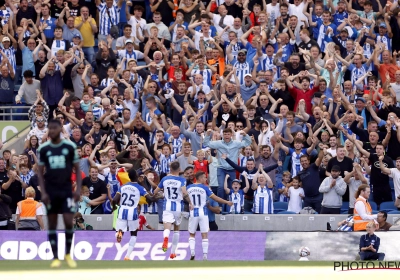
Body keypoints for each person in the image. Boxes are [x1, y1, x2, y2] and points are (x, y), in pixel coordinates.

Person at [37, 119, 82, 268]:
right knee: (52, 224)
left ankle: (68, 254)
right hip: (50, 191)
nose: (52, 130)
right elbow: (40, 172)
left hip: (66, 190)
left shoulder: (69, 147)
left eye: (55, 128)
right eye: (50, 128)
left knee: (69, 221)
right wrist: (43, 192)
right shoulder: (44, 149)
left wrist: (78, 190)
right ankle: (56, 257)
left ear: (60, 129)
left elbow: (77, 168)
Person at [187, 171, 233, 260]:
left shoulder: (188, 187)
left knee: (192, 234)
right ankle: (205, 255)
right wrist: (226, 202)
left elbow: (184, 197)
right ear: (200, 178)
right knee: (204, 235)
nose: (206, 179)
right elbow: (215, 198)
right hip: (203, 213)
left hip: (193, 212)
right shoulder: (205, 188)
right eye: (204, 177)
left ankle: (192, 252)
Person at [112, 168, 153, 260]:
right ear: (137, 176)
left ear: (129, 177)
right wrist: (153, 199)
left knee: (119, 229)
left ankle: (119, 233)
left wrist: (114, 207)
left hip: (122, 211)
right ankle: (128, 256)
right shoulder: (140, 188)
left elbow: (114, 200)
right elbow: (149, 199)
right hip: (133, 212)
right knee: (133, 234)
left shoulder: (123, 186)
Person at [153, 161, 192, 258]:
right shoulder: (182, 180)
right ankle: (173, 252)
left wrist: (162, 194)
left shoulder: (165, 179)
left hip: (167, 206)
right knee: (176, 229)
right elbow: (184, 192)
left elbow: (155, 191)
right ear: (179, 169)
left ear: (170, 169)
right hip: (178, 206)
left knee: (167, 228)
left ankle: (166, 238)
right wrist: (191, 202)